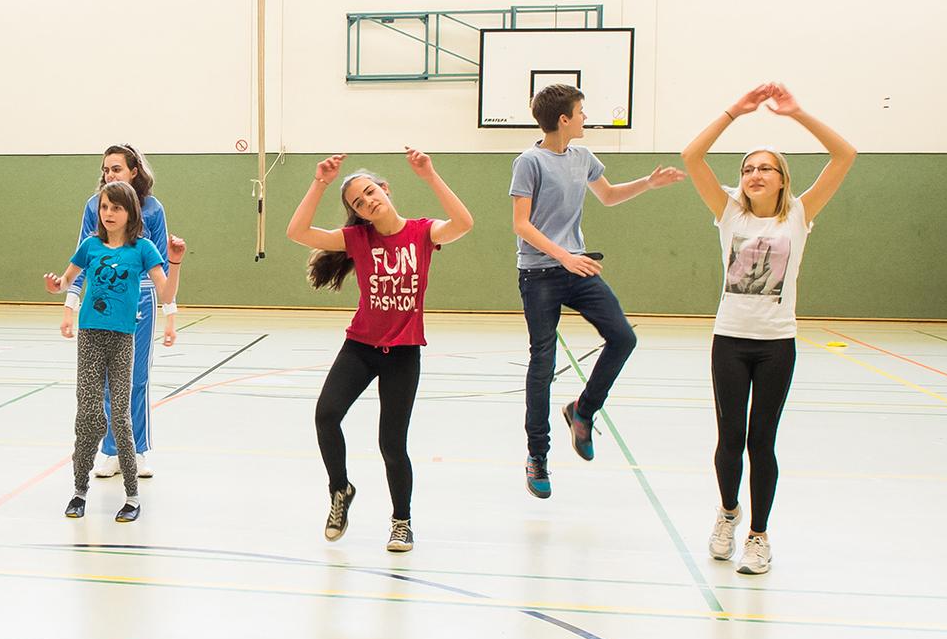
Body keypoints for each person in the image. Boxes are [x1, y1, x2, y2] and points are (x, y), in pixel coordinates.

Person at [682, 83, 855, 575]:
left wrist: (797, 113)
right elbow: (692, 156)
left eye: (765, 168)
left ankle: (758, 536)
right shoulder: (728, 212)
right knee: (729, 438)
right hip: (730, 341)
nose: (755, 175)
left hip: (777, 344)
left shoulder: (799, 213)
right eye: (748, 169)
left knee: (762, 441)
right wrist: (735, 111)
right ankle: (727, 514)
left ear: (782, 180)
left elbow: (845, 155)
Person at [288, 151, 475, 549]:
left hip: (403, 352)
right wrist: (320, 182)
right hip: (360, 347)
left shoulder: (422, 233)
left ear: (385, 190)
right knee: (326, 416)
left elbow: (464, 223)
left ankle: (401, 521)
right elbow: (297, 231)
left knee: (391, 444)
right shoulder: (357, 239)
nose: (367, 202)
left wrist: (430, 175)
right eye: (358, 203)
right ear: (357, 213)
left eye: (370, 192)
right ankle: (340, 490)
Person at [511, 83, 685, 498]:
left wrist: (647, 183)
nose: (586, 118)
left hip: (577, 267)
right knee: (543, 362)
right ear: (563, 119)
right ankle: (538, 455)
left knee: (623, 337)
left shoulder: (583, 157)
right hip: (539, 273)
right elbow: (521, 224)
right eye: (581, 111)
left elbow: (607, 195)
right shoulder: (529, 162)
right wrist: (563, 257)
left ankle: (583, 410)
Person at [53, 144, 185, 478]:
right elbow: (82, 261)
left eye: (117, 169)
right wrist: (69, 305)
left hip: (140, 300)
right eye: (106, 169)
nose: (110, 175)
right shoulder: (93, 206)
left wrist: (169, 315)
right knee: (105, 384)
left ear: (134, 171)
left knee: (136, 379)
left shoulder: (152, 209)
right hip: (101, 303)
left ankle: (137, 450)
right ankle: (111, 451)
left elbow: (161, 270)